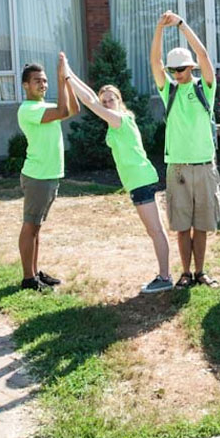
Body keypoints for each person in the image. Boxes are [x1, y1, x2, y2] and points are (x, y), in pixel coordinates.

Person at [63, 64, 173, 294]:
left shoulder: (120, 120)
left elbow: (90, 103)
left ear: (119, 101)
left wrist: (67, 77)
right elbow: (92, 98)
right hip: (139, 181)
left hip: (141, 181)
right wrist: (70, 73)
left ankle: (165, 277)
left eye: (111, 100)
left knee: (156, 231)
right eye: (105, 101)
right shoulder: (118, 121)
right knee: (155, 230)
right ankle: (165, 275)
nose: (106, 103)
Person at [150, 10, 220, 289]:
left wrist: (182, 25)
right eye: (173, 70)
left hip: (204, 165)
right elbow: (155, 61)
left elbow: (204, 56)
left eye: (181, 69)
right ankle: (185, 272)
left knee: (201, 225)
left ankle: (201, 271)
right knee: (182, 225)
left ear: (190, 68)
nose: (176, 74)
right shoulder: (169, 91)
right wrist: (159, 29)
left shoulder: (205, 88)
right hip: (177, 167)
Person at [16, 54, 80, 292]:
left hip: (49, 176)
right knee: (30, 226)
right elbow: (64, 110)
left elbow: (73, 108)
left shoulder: (43, 107)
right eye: (37, 81)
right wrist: (60, 76)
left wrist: (67, 78)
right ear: (26, 85)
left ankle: (34, 272)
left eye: (44, 81)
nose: (43, 84)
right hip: (37, 177)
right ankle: (27, 279)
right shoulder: (28, 109)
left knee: (37, 226)